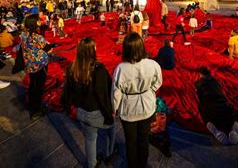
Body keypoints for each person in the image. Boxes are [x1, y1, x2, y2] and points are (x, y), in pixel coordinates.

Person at [62, 38, 116, 168]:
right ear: (92, 50)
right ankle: (109, 153)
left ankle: (92, 164)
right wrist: (110, 113)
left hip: (81, 112)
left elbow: (67, 91)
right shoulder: (98, 69)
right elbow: (104, 94)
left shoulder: (72, 68)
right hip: (97, 112)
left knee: (90, 139)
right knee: (111, 129)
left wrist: (68, 107)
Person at [112, 32, 163, 168]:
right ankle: (143, 164)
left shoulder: (120, 69)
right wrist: (150, 91)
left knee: (131, 142)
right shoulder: (152, 65)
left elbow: (116, 93)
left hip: (129, 110)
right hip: (147, 107)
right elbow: (158, 82)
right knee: (143, 140)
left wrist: (114, 108)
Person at [195, 66, 238, 145]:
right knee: (232, 117)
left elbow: (201, 99)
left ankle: (216, 131)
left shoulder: (198, 83)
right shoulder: (216, 81)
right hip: (225, 109)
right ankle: (233, 129)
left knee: (202, 108)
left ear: (200, 74)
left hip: (211, 113)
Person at [21, 14, 50, 119]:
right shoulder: (38, 37)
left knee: (33, 84)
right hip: (39, 65)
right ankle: (36, 110)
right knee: (39, 87)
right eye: (38, 20)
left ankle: (32, 103)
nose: (40, 21)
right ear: (35, 23)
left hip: (29, 64)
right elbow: (46, 48)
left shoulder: (24, 35)